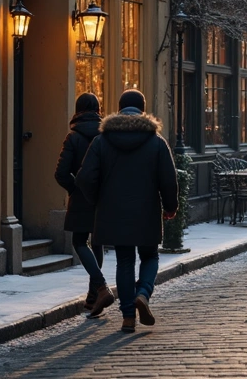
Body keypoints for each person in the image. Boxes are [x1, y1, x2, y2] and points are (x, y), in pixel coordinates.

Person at [76, 90, 179, 334]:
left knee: (124, 261)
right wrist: (170, 206)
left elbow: (84, 178)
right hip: (146, 212)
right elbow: (168, 179)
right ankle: (143, 293)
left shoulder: (101, 141)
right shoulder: (156, 141)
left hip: (114, 212)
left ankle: (128, 318)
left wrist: (98, 200)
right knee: (150, 256)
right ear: (142, 110)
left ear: (119, 108)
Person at [53, 93, 114, 317]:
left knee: (79, 241)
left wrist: (75, 188)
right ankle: (92, 297)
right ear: (98, 109)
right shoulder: (107, 137)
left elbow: (60, 173)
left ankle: (99, 287)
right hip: (102, 196)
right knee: (96, 242)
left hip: (81, 197)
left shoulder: (73, 137)